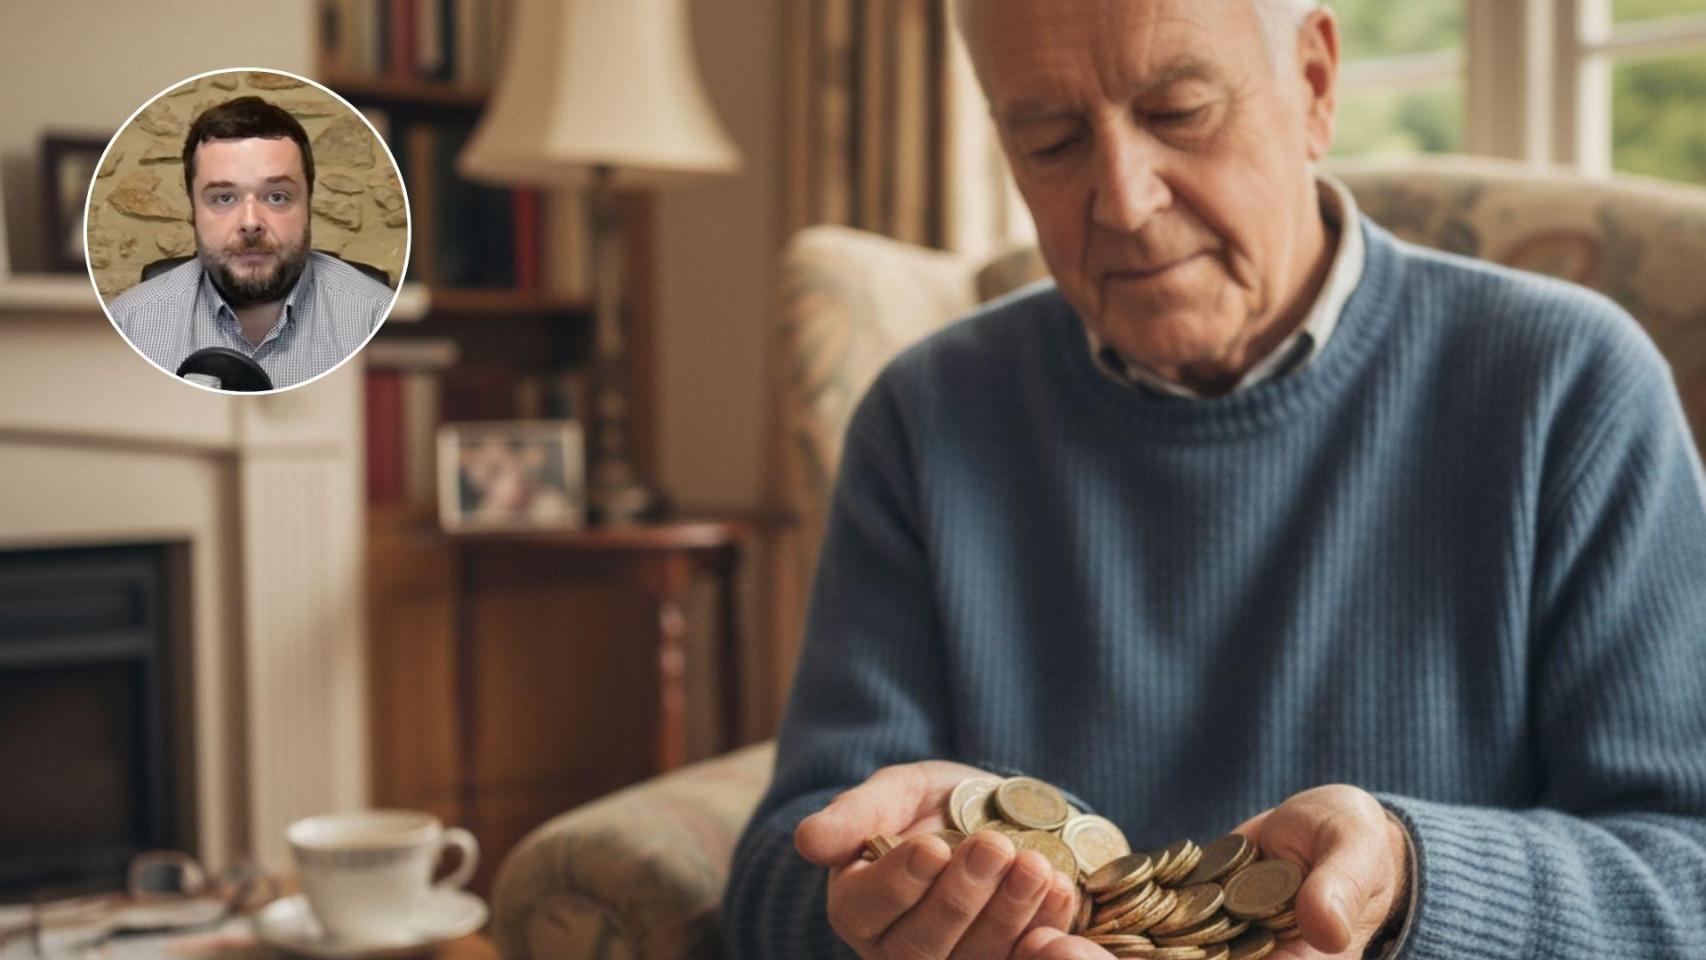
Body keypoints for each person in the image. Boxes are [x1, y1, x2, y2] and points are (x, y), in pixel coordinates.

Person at [723, 0, 1706, 958]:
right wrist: (888, 903)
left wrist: (1411, 882)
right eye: (1051, 140)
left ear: (1314, 83)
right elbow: (775, 878)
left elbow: (1687, 872)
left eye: (1178, 114)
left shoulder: (1570, 384)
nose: (1123, 199)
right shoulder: (923, 416)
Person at [106, 96, 393, 390]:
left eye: (277, 196)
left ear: (308, 204)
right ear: (193, 209)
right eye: (224, 198)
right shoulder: (130, 323)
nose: (251, 222)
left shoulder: (377, 318)